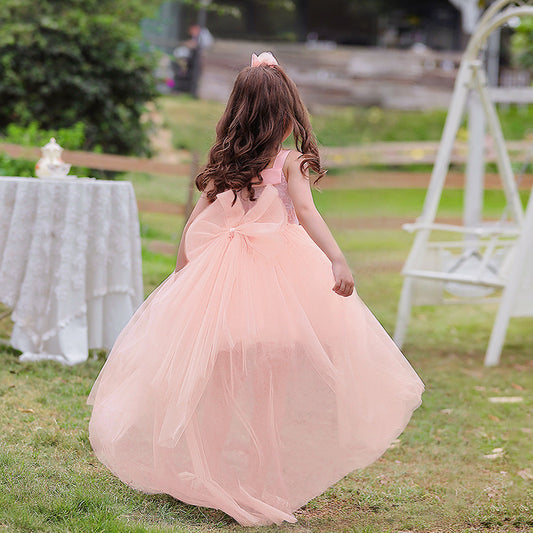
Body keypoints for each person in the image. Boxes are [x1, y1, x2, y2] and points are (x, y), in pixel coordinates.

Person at [87, 51, 425, 527]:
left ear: (238, 114)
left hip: (223, 285)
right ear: (284, 114)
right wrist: (336, 257)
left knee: (220, 380)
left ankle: (215, 471)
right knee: (269, 384)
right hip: (277, 287)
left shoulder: (224, 163)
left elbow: (194, 227)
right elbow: (305, 212)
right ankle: (263, 479)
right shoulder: (289, 162)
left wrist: (182, 279)